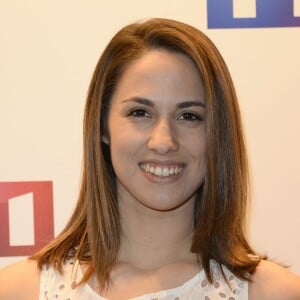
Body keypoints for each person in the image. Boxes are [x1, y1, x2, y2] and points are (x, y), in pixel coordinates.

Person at [0, 18, 299, 300]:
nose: (164, 142)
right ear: (102, 126)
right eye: (140, 113)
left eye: (189, 116)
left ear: (218, 133)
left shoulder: (274, 293)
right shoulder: (19, 291)